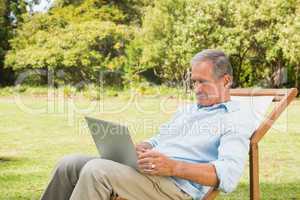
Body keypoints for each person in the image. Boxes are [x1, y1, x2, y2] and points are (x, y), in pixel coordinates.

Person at [40, 49, 257, 200]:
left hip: (175, 188)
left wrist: (173, 167)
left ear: (226, 81)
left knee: (98, 170)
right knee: (69, 164)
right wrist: (145, 146)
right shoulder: (189, 110)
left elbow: (228, 176)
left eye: (203, 82)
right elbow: (158, 140)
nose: (197, 89)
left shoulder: (235, 119)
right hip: (149, 173)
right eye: (194, 82)